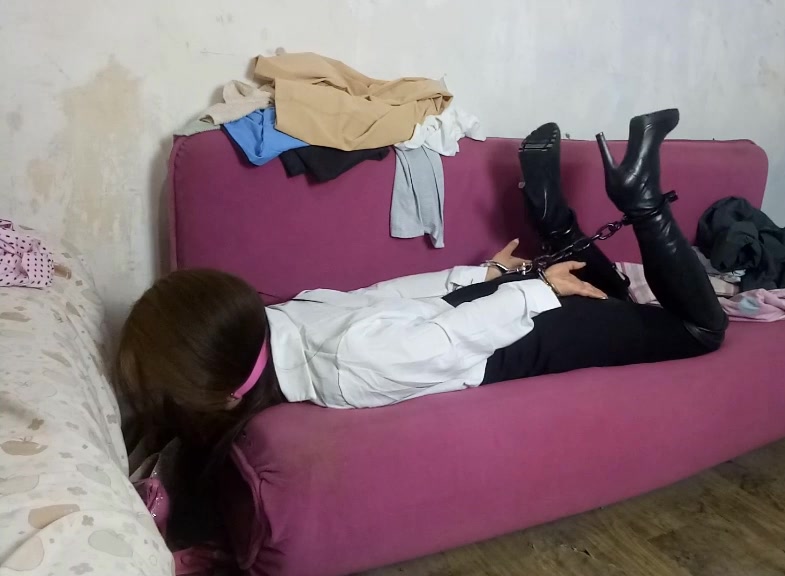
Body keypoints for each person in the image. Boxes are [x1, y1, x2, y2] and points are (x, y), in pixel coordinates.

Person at [116, 108, 728, 460]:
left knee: (667, 317)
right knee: (676, 323)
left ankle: (591, 206)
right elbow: (420, 318)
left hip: (495, 324)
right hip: (498, 326)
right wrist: (524, 289)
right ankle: (588, 206)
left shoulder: (327, 351)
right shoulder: (295, 320)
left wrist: (503, 281)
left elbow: (424, 324)